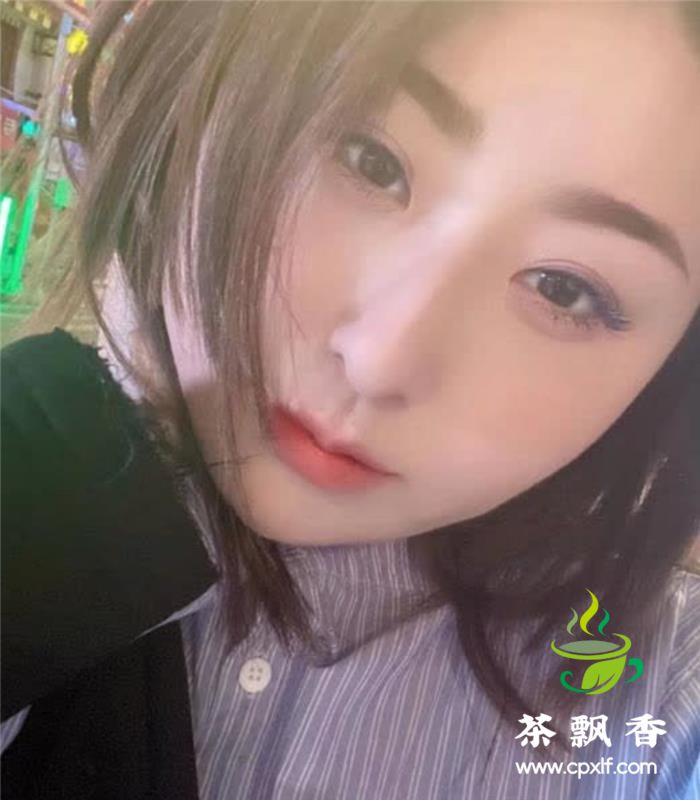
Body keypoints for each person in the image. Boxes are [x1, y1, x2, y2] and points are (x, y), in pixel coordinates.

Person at [2, 1, 699, 798]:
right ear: (200, 71)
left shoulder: (654, 698)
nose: (378, 360)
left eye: (565, 290)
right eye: (368, 159)